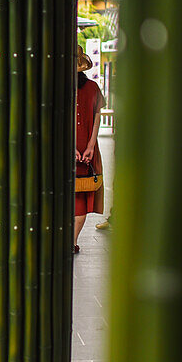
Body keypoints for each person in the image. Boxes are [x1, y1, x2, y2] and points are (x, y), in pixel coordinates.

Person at [74, 44, 104, 253]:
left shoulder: (53, 88)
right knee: (80, 200)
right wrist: (90, 146)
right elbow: (96, 118)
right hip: (87, 149)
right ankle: (71, 242)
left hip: (65, 149)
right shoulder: (93, 87)